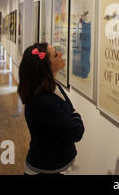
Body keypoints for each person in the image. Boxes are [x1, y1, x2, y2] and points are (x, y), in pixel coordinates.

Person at [17, 43, 84, 175]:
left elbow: (70, 112)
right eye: (55, 54)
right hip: (46, 170)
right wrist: (76, 115)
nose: (60, 54)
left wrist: (72, 114)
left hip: (54, 166)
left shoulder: (53, 87)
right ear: (46, 66)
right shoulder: (42, 102)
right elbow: (76, 132)